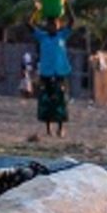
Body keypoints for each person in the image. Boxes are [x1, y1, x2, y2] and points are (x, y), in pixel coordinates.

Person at [31, 7, 73, 137]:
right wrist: (36, 10)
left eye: (54, 25)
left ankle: (60, 128)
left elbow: (72, 21)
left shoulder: (62, 35)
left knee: (60, 101)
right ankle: (48, 129)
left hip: (60, 72)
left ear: (59, 25)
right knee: (46, 101)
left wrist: (66, 5)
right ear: (46, 27)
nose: (52, 27)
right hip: (46, 73)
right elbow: (28, 24)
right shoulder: (42, 37)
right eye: (49, 25)